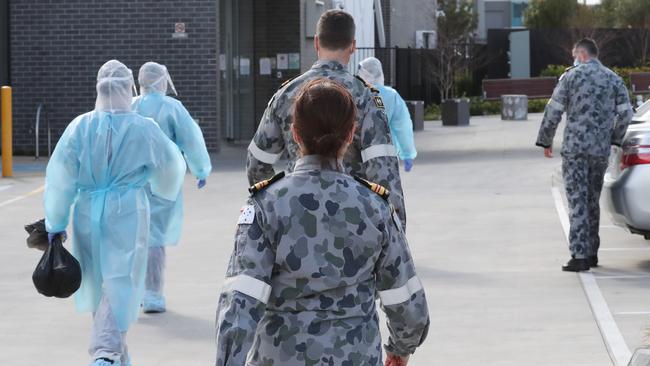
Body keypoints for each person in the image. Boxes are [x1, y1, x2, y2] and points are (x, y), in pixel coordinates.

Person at [216, 79, 429, 366]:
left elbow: (240, 303)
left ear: (294, 133)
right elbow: (406, 301)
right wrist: (401, 347)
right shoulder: (375, 207)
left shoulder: (266, 205)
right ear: (351, 134)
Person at [44, 60, 186, 366]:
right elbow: (171, 167)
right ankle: (106, 352)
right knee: (120, 281)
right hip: (128, 213)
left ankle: (117, 353)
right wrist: (161, 189)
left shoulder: (79, 127)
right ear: (128, 88)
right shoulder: (143, 128)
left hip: (85, 213)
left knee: (97, 282)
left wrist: (54, 221)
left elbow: (59, 178)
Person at [246, 9, 407, 231]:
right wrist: (394, 235)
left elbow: (257, 163)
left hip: (296, 221)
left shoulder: (286, 94)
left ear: (316, 42)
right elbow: (383, 172)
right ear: (353, 45)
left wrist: (277, 207)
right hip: (353, 225)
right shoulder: (366, 97)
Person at [536, 38, 633, 272]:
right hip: (600, 151)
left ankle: (579, 256)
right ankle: (591, 253)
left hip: (576, 150)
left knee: (577, 200)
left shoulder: (570, 77)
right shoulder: (613, 79)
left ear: (581, 55)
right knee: (592, 200)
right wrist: (614, 138)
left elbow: (554, 109)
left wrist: (545, 139)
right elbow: (626, 115)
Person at [132, 61, 212, 313]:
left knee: (130, 235)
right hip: (164, 180)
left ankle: (129, 294)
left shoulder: (130, 106)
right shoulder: (172, 108)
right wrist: (200, 169)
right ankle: (152, 294)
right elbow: (191, 140)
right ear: (161, 81)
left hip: (131, 180)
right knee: (154, 237)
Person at [358, 57, 417, 172]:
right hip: (385, 156)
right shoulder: (391, 96)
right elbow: (402, 126)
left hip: (357, 156)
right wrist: (407, 154)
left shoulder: (354, 93)